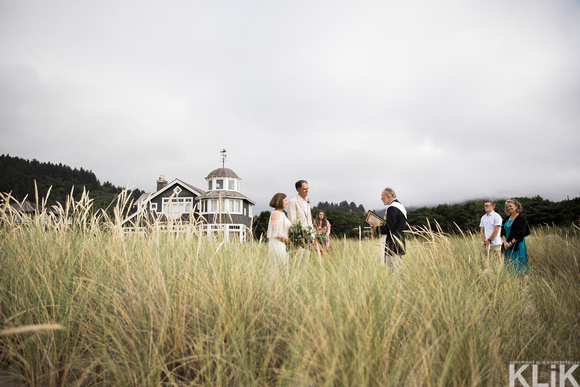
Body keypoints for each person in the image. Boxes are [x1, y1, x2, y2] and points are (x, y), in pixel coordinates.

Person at [370, 187, 407, 269]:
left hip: (392, 246)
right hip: (400, 244)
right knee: (399, 270)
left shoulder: (392, 208)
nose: (381, 198)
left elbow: (389, 228)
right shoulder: (400, 206)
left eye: (382, 195)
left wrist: (377, 229)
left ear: (387, 195)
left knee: (392, 272)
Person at [501, 198, 530, 275]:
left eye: (510, 206)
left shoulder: (521, 218)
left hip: (517, 244)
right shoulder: (507, 218)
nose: (508, 208)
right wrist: (505, 243)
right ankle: (512, 284)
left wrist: (510, 243)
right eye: (507, 207)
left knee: (519, 263)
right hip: (507, 246)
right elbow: (503, 231)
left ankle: (523, 283)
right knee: (509, 265)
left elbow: (521, 232)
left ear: (516, 206)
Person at [267, 193, 291, 269]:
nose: (287, 202)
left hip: (284, 244)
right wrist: (289, 242)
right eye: (285, 200)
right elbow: (277, 234)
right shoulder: (275, 214)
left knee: (285, 267)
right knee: (279, 266)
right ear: (280, 201)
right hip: (278, 244)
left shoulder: (283, 214)